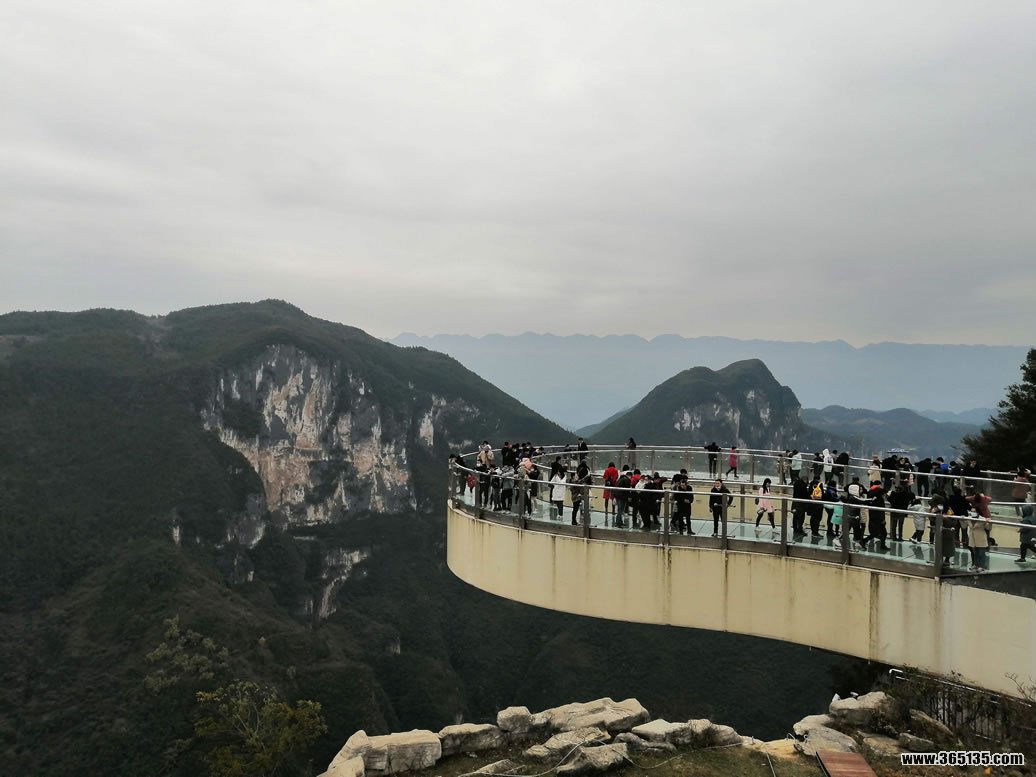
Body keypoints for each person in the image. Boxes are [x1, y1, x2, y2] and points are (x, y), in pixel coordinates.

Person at [965, 508, 991, 572]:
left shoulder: (982, 519)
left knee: (981, 553)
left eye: (974, 511)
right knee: (975, 553)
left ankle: (981, 566)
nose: (972, 513)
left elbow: (988, 528)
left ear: (978, 512)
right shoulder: (969, 518)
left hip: (980, 538)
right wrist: (962, 519)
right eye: (971, 511)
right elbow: (964, 526)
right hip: (972, 538)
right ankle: (976, 565)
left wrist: (988, 522)